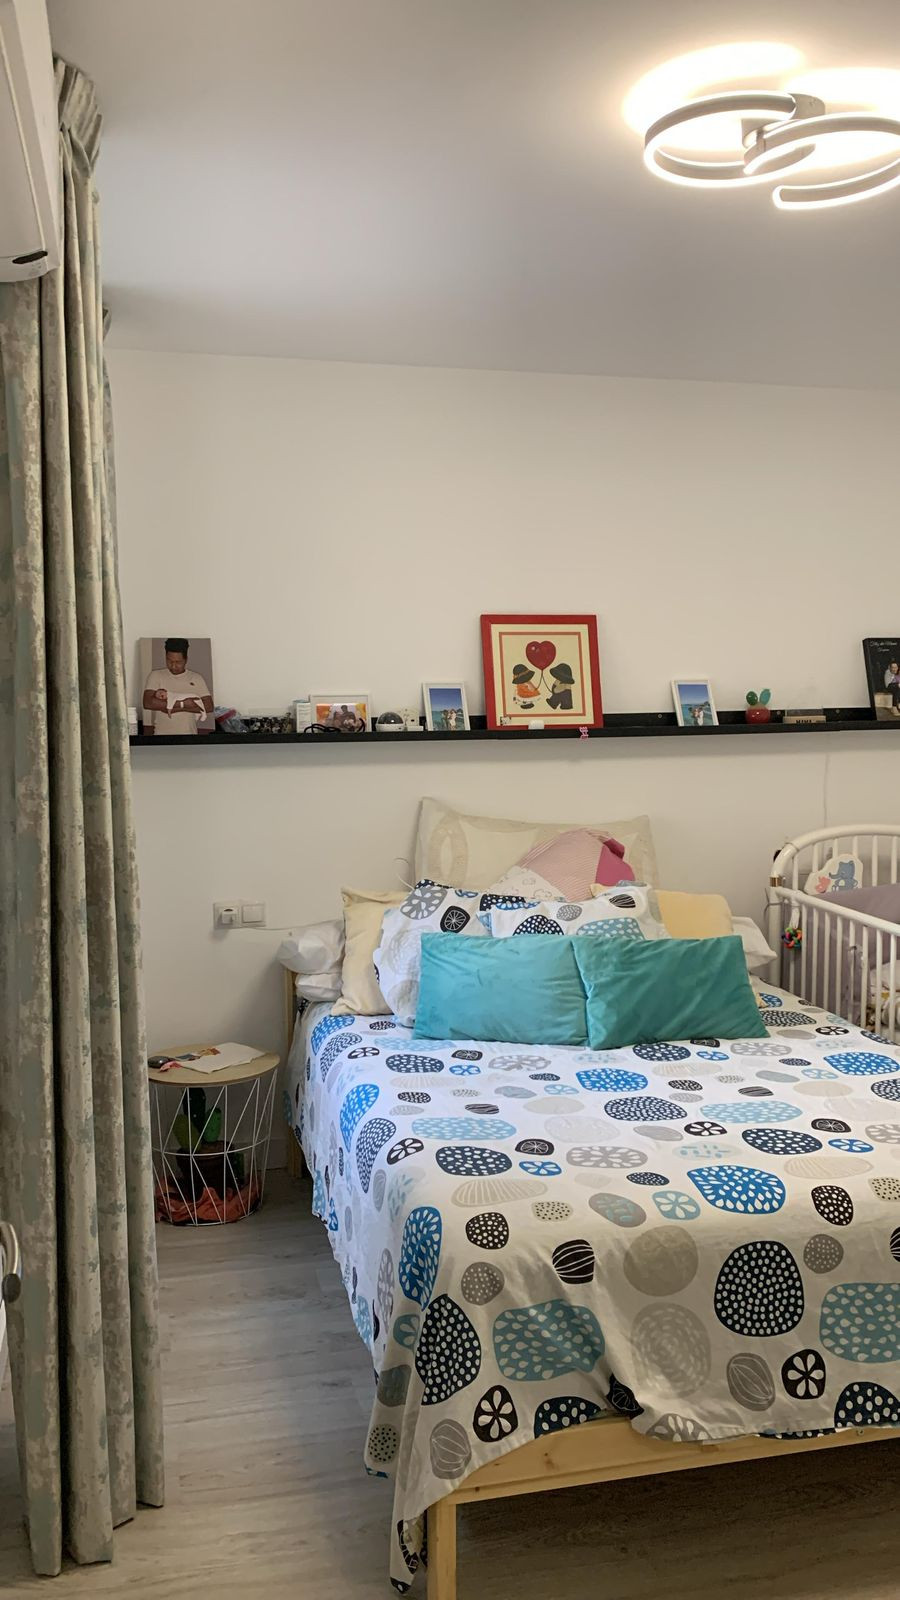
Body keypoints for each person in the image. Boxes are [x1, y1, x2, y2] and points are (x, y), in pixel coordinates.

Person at [142, 638, 213, 735]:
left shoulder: (196, 678)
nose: (173, 666)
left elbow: (208, 706)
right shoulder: (156, 675)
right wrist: (184, 704)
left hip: (189, 735)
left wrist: (171, 708)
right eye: (169, 661)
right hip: (161, 736)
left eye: (178, 662)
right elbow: (148, 703)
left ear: (186, 660)